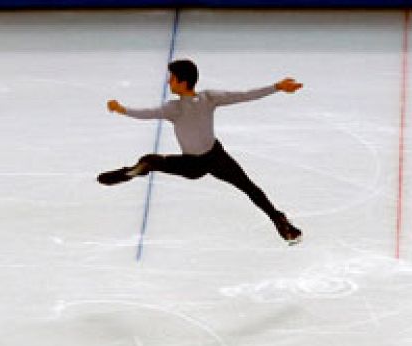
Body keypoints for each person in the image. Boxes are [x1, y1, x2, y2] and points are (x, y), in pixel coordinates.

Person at [102, 59, 303, 245]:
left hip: (193, 164)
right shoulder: (208, 97)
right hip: (215, 157)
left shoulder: (174, 108)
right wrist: (276, 87)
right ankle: (280, 221)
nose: (168, 82)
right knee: (249, 188)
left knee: (150, 159)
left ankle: (134, 170)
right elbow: (244, 95)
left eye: (171, 78)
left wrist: (122, 109)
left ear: (182, 82)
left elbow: (147, 113)